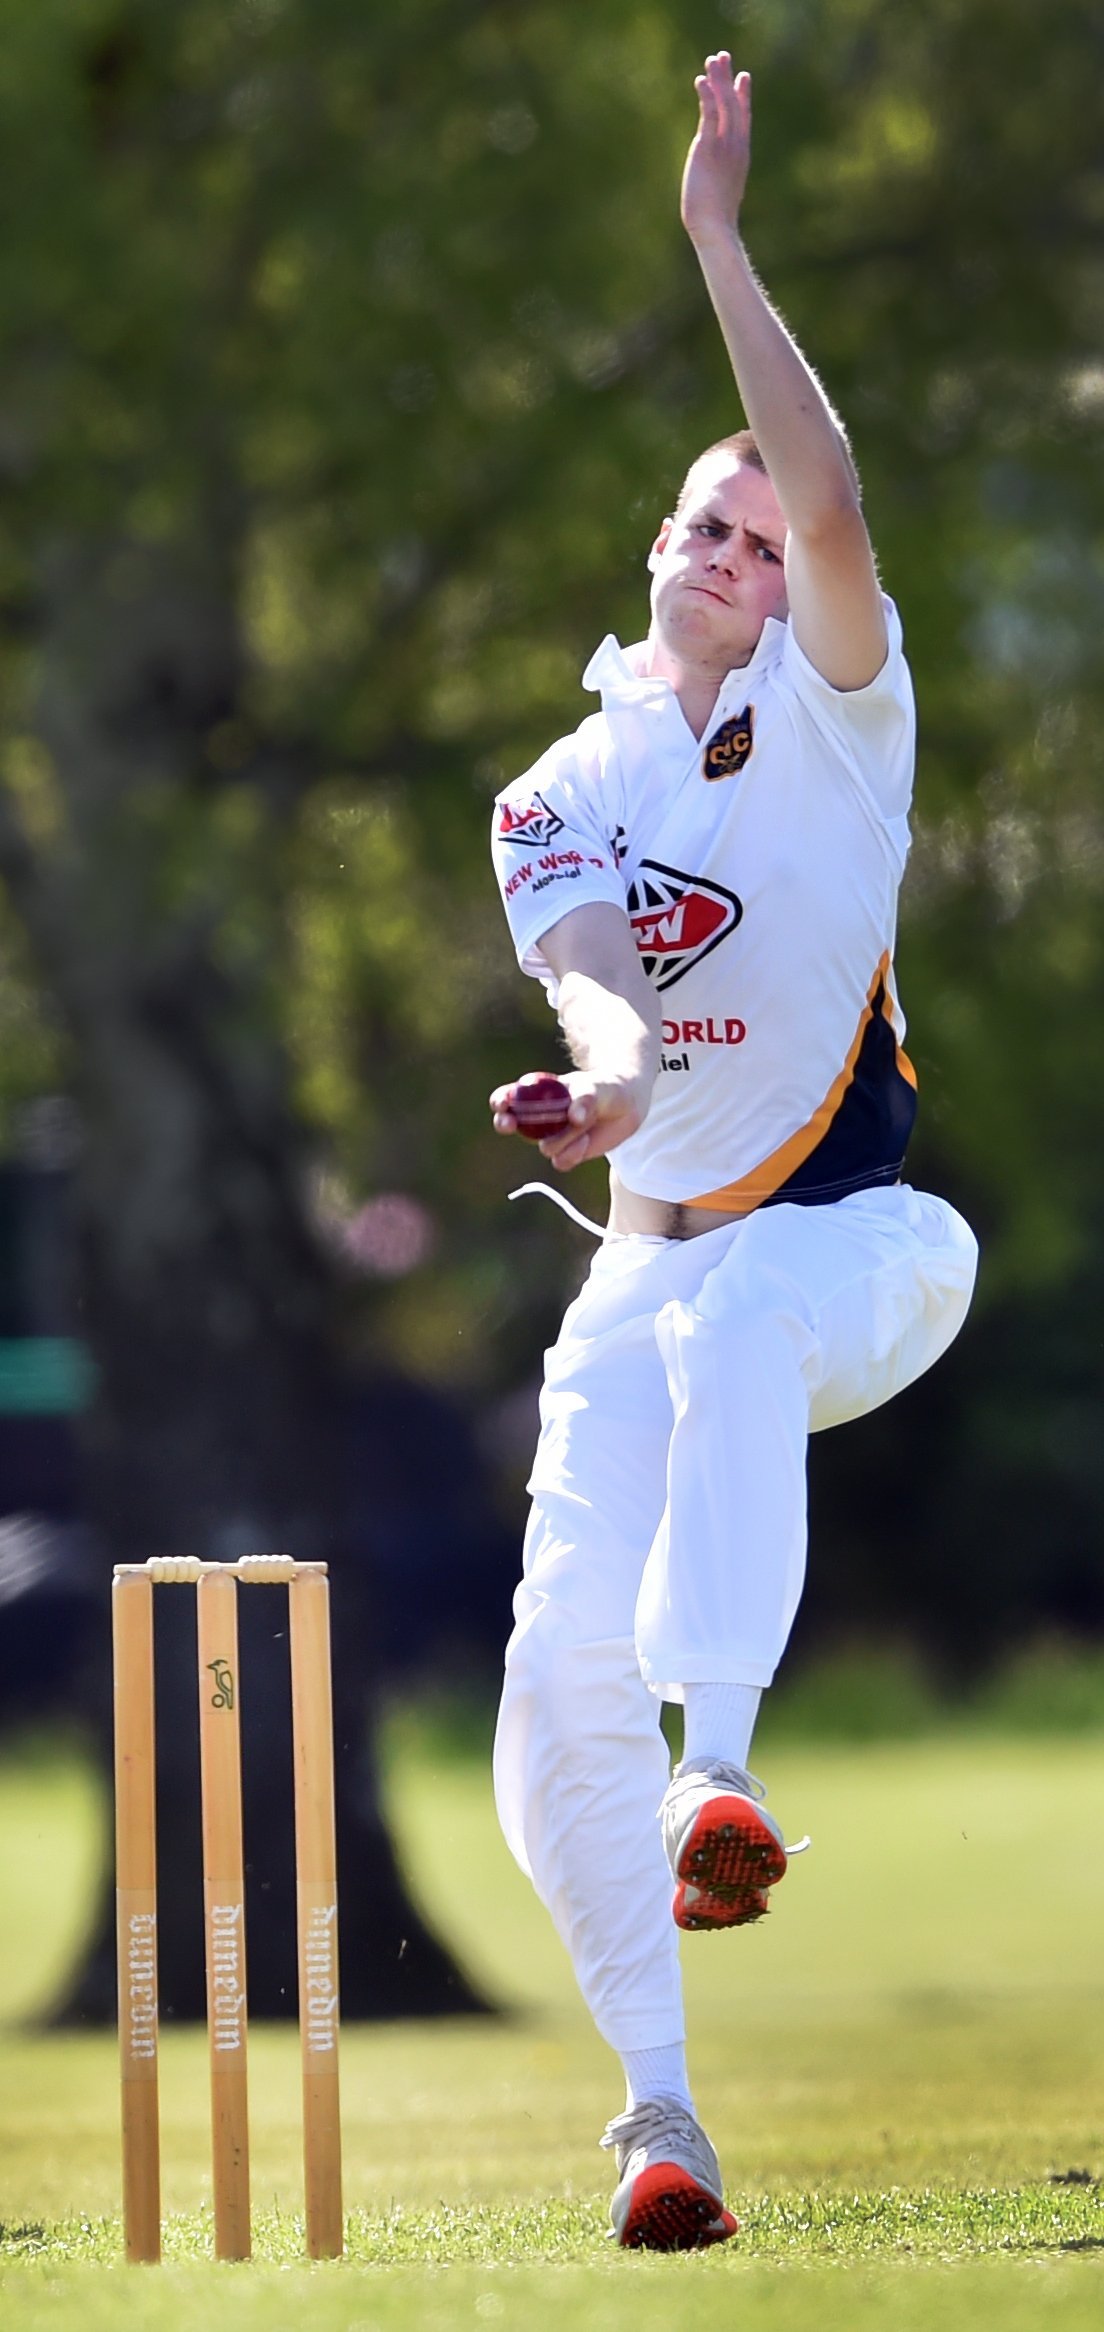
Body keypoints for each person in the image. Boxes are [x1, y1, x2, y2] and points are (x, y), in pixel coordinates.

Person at [487, 53, 977, 2252]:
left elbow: (839, 497)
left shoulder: (849, 722)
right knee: (543, 1684)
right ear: (656, 549)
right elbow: (595, 967)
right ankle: (662, 2117)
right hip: (647, 1252)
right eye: (713, 521)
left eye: (769, 542)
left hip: (868, 1247)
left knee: (749, 1314)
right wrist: (599, 1092)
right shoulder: (556, 783)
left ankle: (728, 1758)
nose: (746, 551)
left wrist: (715, 241)